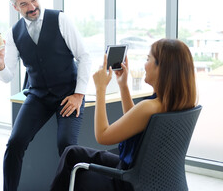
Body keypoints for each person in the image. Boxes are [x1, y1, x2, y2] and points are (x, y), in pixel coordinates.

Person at [50, 38, 197, 190]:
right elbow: (135, 122)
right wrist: (123, 85)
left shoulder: (149, 106)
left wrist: (100, 89)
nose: (144, 65)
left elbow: (103, 136)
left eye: (148, 59)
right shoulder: (179, 105)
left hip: (127, 180)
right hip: (151, 177)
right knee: (72, 152)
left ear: (162, 68)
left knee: (73, 164)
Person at [0, 0, 92, 190]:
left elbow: (84, 56)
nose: (32, 7)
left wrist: (79, 95)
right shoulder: (13, 33)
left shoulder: (61, 19)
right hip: (38, 96)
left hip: (68, 94)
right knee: (15, 143)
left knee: (66, 145)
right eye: (24, 4)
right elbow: (7, 76)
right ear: (15, 8)